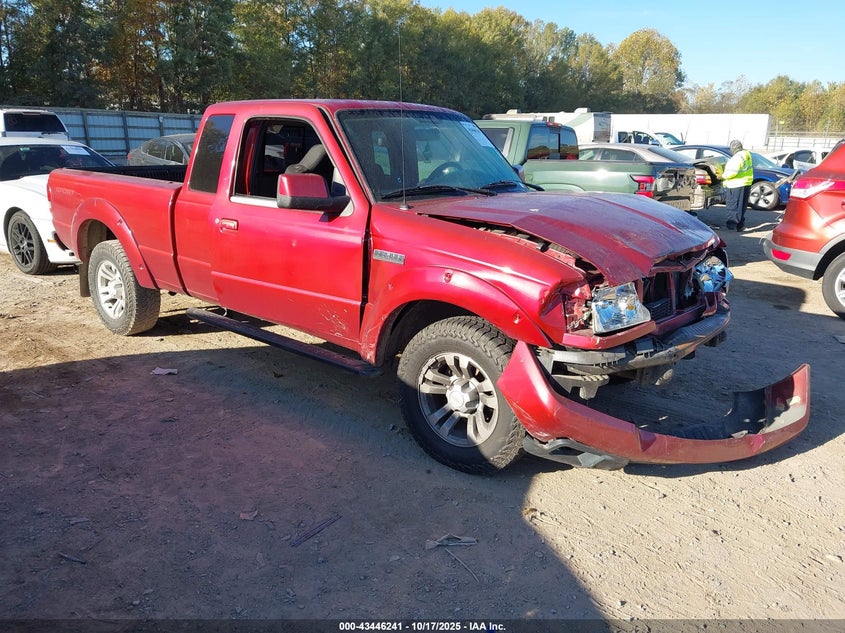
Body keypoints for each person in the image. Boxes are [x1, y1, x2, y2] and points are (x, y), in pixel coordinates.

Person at [722, 139, 753, 231]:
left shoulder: (736, 158)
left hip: (735, 184)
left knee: (733, 205)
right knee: (741, 206)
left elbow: (732, 173)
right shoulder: (747, 155)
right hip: (746, 183)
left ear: (733, 148)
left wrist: (722, 176)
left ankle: (732, 225)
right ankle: (740, 225)